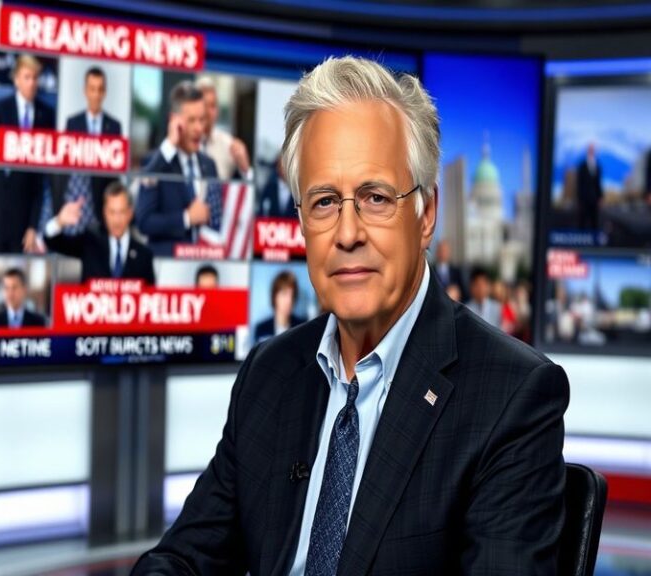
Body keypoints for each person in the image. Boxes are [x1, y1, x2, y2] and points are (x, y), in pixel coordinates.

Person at [133, 56, 569, 575]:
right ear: (299, 222)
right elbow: (183, 558)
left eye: (375, 197)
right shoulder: (269, 373)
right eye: (322, 202)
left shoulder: (512, 397)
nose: (346, 233)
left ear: (426, 214)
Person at [135, 81, 222, 256]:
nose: (199, 128)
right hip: (168, 271)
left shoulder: (209, 165)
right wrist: (187, 218)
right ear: (174, 121)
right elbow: (144, 222)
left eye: (202, 119)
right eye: (191, 120)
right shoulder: (155, 162)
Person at [0, 54, 56, 253]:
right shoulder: (0, 109)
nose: (32, 83)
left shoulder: (46, 114)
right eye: (27, 77)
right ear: (16, 79)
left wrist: (34, 226)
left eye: (35, 77)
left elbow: (43, 178)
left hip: (26, 212)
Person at [51, 67, 123, 233]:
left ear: (105, 92)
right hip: (78, 204)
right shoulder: (73, 123)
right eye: (92, 89)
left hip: (102, 206)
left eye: (100, 89)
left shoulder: (114, 126)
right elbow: (67, 170)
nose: (96, 95)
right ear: (85, 91)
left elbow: (114, 174)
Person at [45, 181, 155, 284]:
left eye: (121, 212)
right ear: (104, 212)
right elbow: (53, 242)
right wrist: (59, 221)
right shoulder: (90, 243)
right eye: (112, 212)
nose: (117, 219)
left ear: (130, 213)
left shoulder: (144, 255)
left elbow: (151, 298)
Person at [196, 76, 252, 180]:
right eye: (204, 105)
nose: (208, 112)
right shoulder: (183, 142)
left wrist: (246, 169)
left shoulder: (228, 144)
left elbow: (249, 184)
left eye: (212, 106)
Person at [254, 270, 306, 342]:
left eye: (292, 295)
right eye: (284, 294)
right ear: (274, 297)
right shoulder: (262, 329)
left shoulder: (302, 328)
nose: (289, 300)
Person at [575, 142, 603, 231]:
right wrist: (580, 199)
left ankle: (594, 243)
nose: (592, 151)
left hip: (594, 199)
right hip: (584, 199)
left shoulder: (598, 166)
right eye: (590, 149)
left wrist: (600, 197)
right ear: (587, 151)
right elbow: (579, 183)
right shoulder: (582, 166)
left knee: (594, 222)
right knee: (582, 222)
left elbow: (598, 183)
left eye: (593, 149)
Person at [258, 153, 296, 218]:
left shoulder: (297, 189)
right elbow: (262, 212)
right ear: (278, 167)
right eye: (283, 165)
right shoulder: (269, 188)